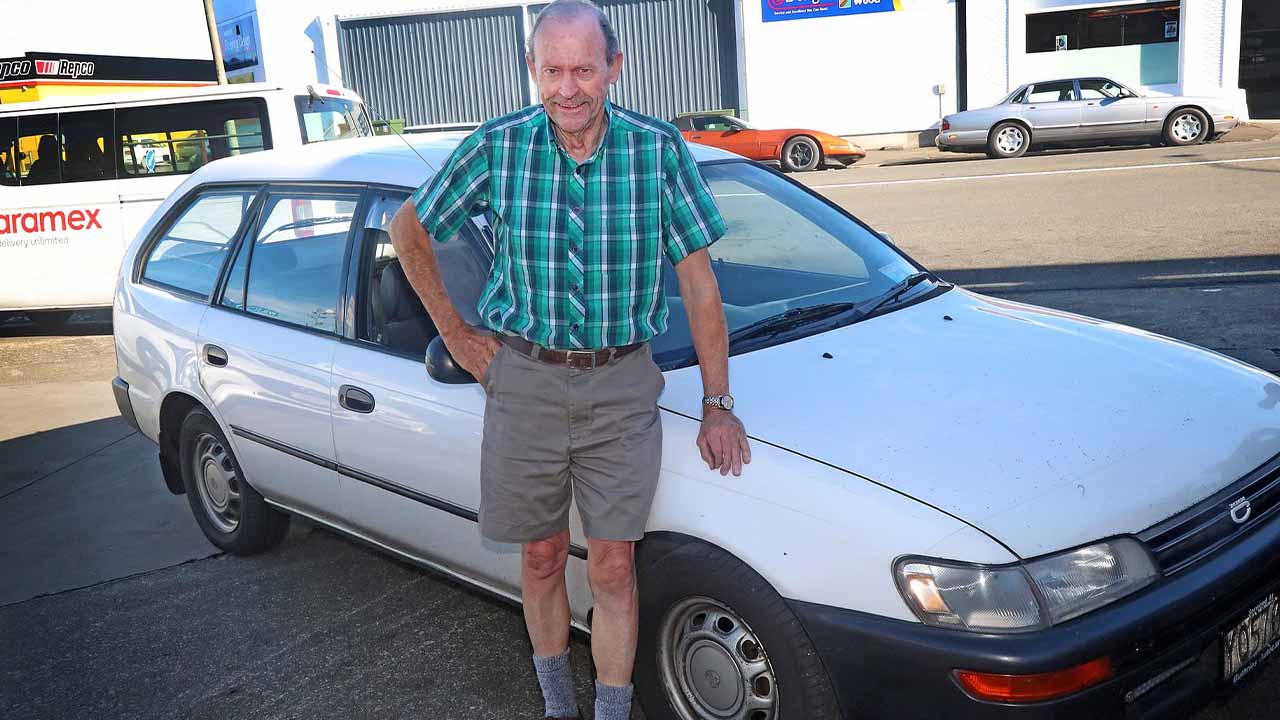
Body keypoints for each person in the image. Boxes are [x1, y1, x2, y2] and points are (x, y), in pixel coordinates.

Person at [388, 1, 750, 717]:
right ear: (532, 69)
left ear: (614, 67)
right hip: (523, 382)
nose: (568, 88)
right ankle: (559, 706)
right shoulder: (499, 147)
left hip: (622, 385)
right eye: (552, 71)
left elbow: (699, 285)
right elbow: (408, 229)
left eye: (583, 69)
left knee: (614, 565)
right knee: (542, 554)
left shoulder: (657, 150)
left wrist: (718, 405)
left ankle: (611, 712)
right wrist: (457, 334)